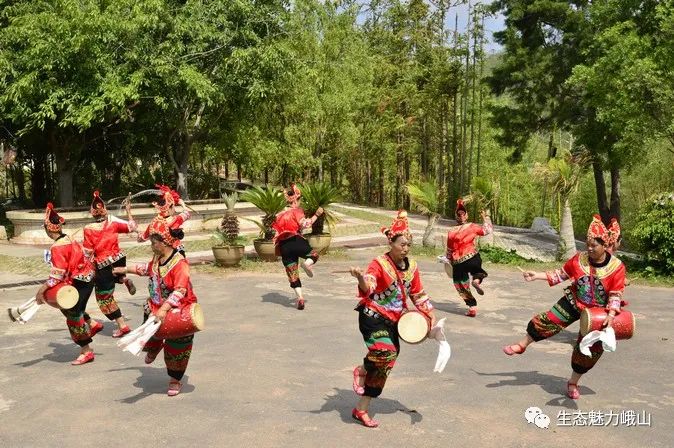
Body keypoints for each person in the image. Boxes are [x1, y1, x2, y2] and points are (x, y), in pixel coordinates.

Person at [503, 214, 627, 400]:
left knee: (588, 350)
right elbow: (561, 274)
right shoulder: (579, 259)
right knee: (548, 320)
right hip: (574, 301)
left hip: (597, 313)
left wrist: (610, 313)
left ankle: (573, 382)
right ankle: (522, 345)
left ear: (605, 245)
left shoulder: (617, 267)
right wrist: (536, 275)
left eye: (595, 245)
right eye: (588, 244)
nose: (590, 249)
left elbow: (615, 293)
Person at [349, 210, 437, 427]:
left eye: (409, 244)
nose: (406, 248)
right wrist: (360, 278)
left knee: (385, 363)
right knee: (384, 352)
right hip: (372, 316)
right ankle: (361, 370)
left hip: (394, 322)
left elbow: (418, 294)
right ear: (392, 243)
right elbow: (368, 286)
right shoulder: (379, 263)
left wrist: (430, 315)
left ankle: (361, 408)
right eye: (402, 244)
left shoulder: (412, 267)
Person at [114, 223, 197, 396]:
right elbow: (148, 269)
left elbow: (180, 290)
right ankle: (155, 346)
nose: (152, 246)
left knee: (177, 348)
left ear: (164, 243)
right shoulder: (158, 258)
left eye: (153, 243)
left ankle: (175, 379)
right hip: (155, 307)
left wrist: (165, 309)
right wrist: (126, 269)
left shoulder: (179, 263)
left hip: (177, 310)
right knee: (149, 336)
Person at [36, 203, 97, 365]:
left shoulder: (57, 247)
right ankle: (92, 323)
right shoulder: (68, 238)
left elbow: (57, 274)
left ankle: (86, 351)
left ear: (49, 230)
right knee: (69, 309)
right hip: (87, 278)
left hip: (80, 281)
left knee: (73, 316)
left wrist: (41, 291)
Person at [83, 191, 134, 337]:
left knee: (104, 298)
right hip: (119, 259)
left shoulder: (88, 229)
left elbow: (87, 252)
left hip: (103, 264)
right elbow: (132, 227)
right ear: (104, 211)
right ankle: (123, 279)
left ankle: (122, 325)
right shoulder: (113, 224)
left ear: (93, 213)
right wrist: (128, 212)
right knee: (115, 278)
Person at [271, 183, 323, 310]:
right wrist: (317, 214)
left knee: (293, 274)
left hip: (284, 247)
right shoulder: (297, 211)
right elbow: (306, 224)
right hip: (295, 240)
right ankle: (307, 264)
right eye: (300, 200)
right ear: (296, 200)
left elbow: (275, 233)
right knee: (314, 255)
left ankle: (300, 298)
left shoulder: (279, 215)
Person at [445, 199, 493, 317]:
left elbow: (449, 250)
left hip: (458, 262)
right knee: (477, 271)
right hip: (472, 257)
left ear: (456, 217)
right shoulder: (472, 226)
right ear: (466, 216)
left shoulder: (451, 232)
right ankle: (476, 281)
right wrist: (485, 218)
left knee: (461, 284)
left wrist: (449, 261)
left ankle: (471, 307)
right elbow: (487, 230)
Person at [138, 184, 190, 256]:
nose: (174, 210)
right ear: (170, 207)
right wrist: (183, 204)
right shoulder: (175, 220)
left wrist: (137, 232)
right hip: (175, 255)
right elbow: (187, 213)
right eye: (173, 207)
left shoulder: (153, 223)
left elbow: (141, 239)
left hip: (159, 257)